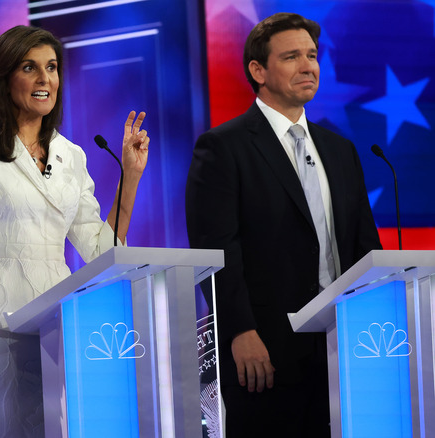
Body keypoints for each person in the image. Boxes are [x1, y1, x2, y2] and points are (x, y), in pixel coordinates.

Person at [0, 25, 149, 437]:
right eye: (30, 68)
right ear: (5, 77)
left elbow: (101, 249)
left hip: (59, 322)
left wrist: (130, 177)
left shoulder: (72, 155)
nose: (44, 78)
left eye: (51, 68)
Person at [185, 12, 381, 438]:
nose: (308, 66)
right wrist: (240, 331)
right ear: (258, 70)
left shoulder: (341, 149)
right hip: (267, 348)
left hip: (343, 346)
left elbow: (365, 247)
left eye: (311, 55)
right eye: (291, 56)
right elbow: (215, 250)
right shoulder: (223, 147)